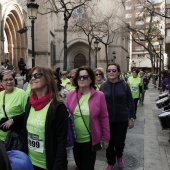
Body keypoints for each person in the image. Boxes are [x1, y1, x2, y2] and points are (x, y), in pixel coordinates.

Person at [22, 66, 68, 170]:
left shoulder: (58, 107)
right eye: (31, 76)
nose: (33, 78)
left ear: (48, 79)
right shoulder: (30, 104)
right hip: (30, 162)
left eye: (37, 75)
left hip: (48, 164)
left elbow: (61, 142)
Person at [66, 66, 110, 170]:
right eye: (79, 77)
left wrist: (106, 138)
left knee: (88, 167)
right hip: (74, 140)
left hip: (90, 140)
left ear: (91, 79)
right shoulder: (71, 94)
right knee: (79, 165)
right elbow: (67, 114)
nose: (82, 79)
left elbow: (104, 117)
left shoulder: (99, 95)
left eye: (85, 77)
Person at [100, 63, 135, 170]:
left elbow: (130, 101)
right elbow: (99, 103)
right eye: (109, 70)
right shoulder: (103, 85)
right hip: (107, 120)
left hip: (122, 119)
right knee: (108, 143)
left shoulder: (124, 85)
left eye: (114, 70)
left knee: (119, 142)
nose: (111, 72)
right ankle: (110, 162)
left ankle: (119, 156)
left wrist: (131, 117)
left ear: (118, 72)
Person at [0, 70, 28, 144]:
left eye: (11, 79)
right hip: (1, 137)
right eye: (6, 80)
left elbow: (28, 113)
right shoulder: (0, 94)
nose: (9, 82)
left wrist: (13, 120)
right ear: (1, 82)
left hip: (15, 138)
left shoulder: (21, 94)